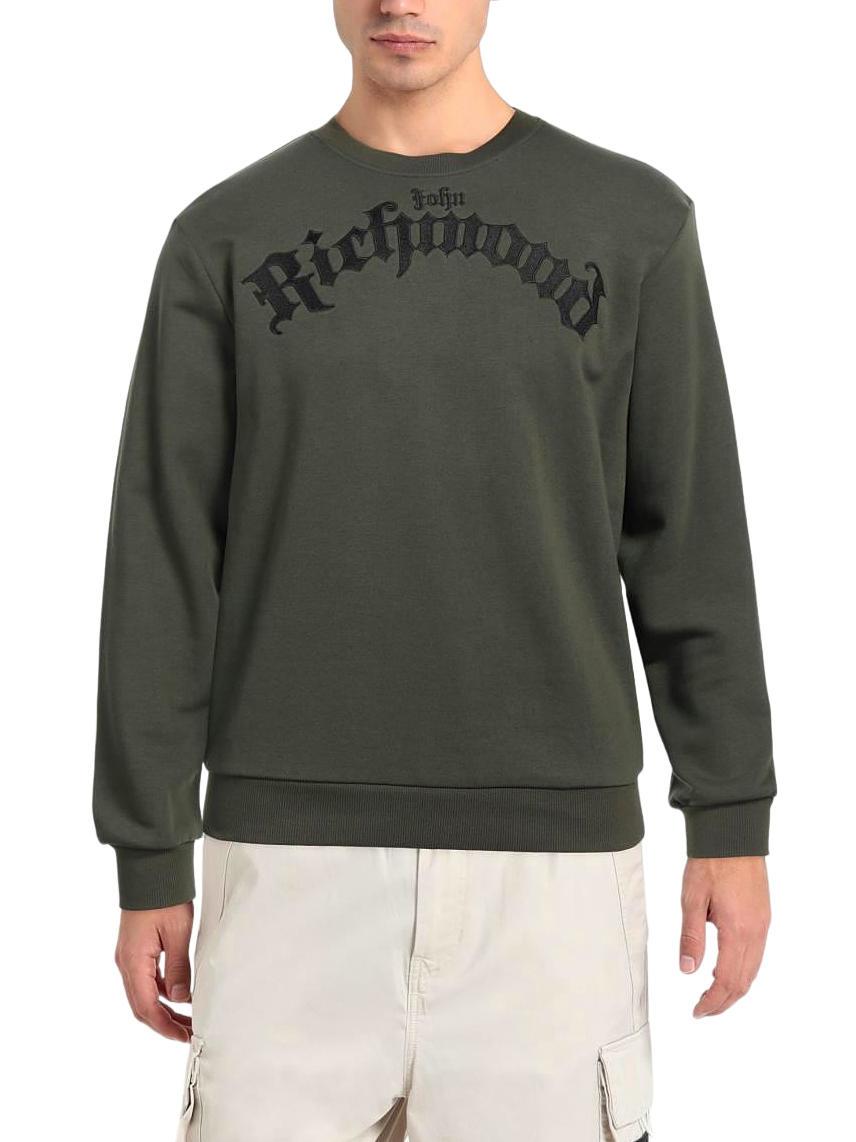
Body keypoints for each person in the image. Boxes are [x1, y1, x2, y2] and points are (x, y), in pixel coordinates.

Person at [92, 2, 777, 1139]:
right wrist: (148, 848)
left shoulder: (634, 225)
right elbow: (162, 558)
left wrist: (732, 815)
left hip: (553, 878)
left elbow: (689, 539)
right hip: (284, 870)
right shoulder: (225, 237)